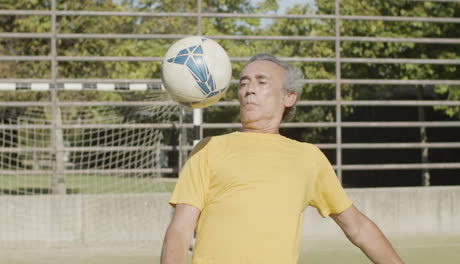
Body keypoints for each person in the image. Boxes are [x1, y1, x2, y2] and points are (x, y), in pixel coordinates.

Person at [161, 53, 404, 264]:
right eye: (243, 83)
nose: (249, 89)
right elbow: (180, 229)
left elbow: (358, 227)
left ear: (289, 97)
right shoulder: (209, 148)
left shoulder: (309, 158)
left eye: (261, 81)